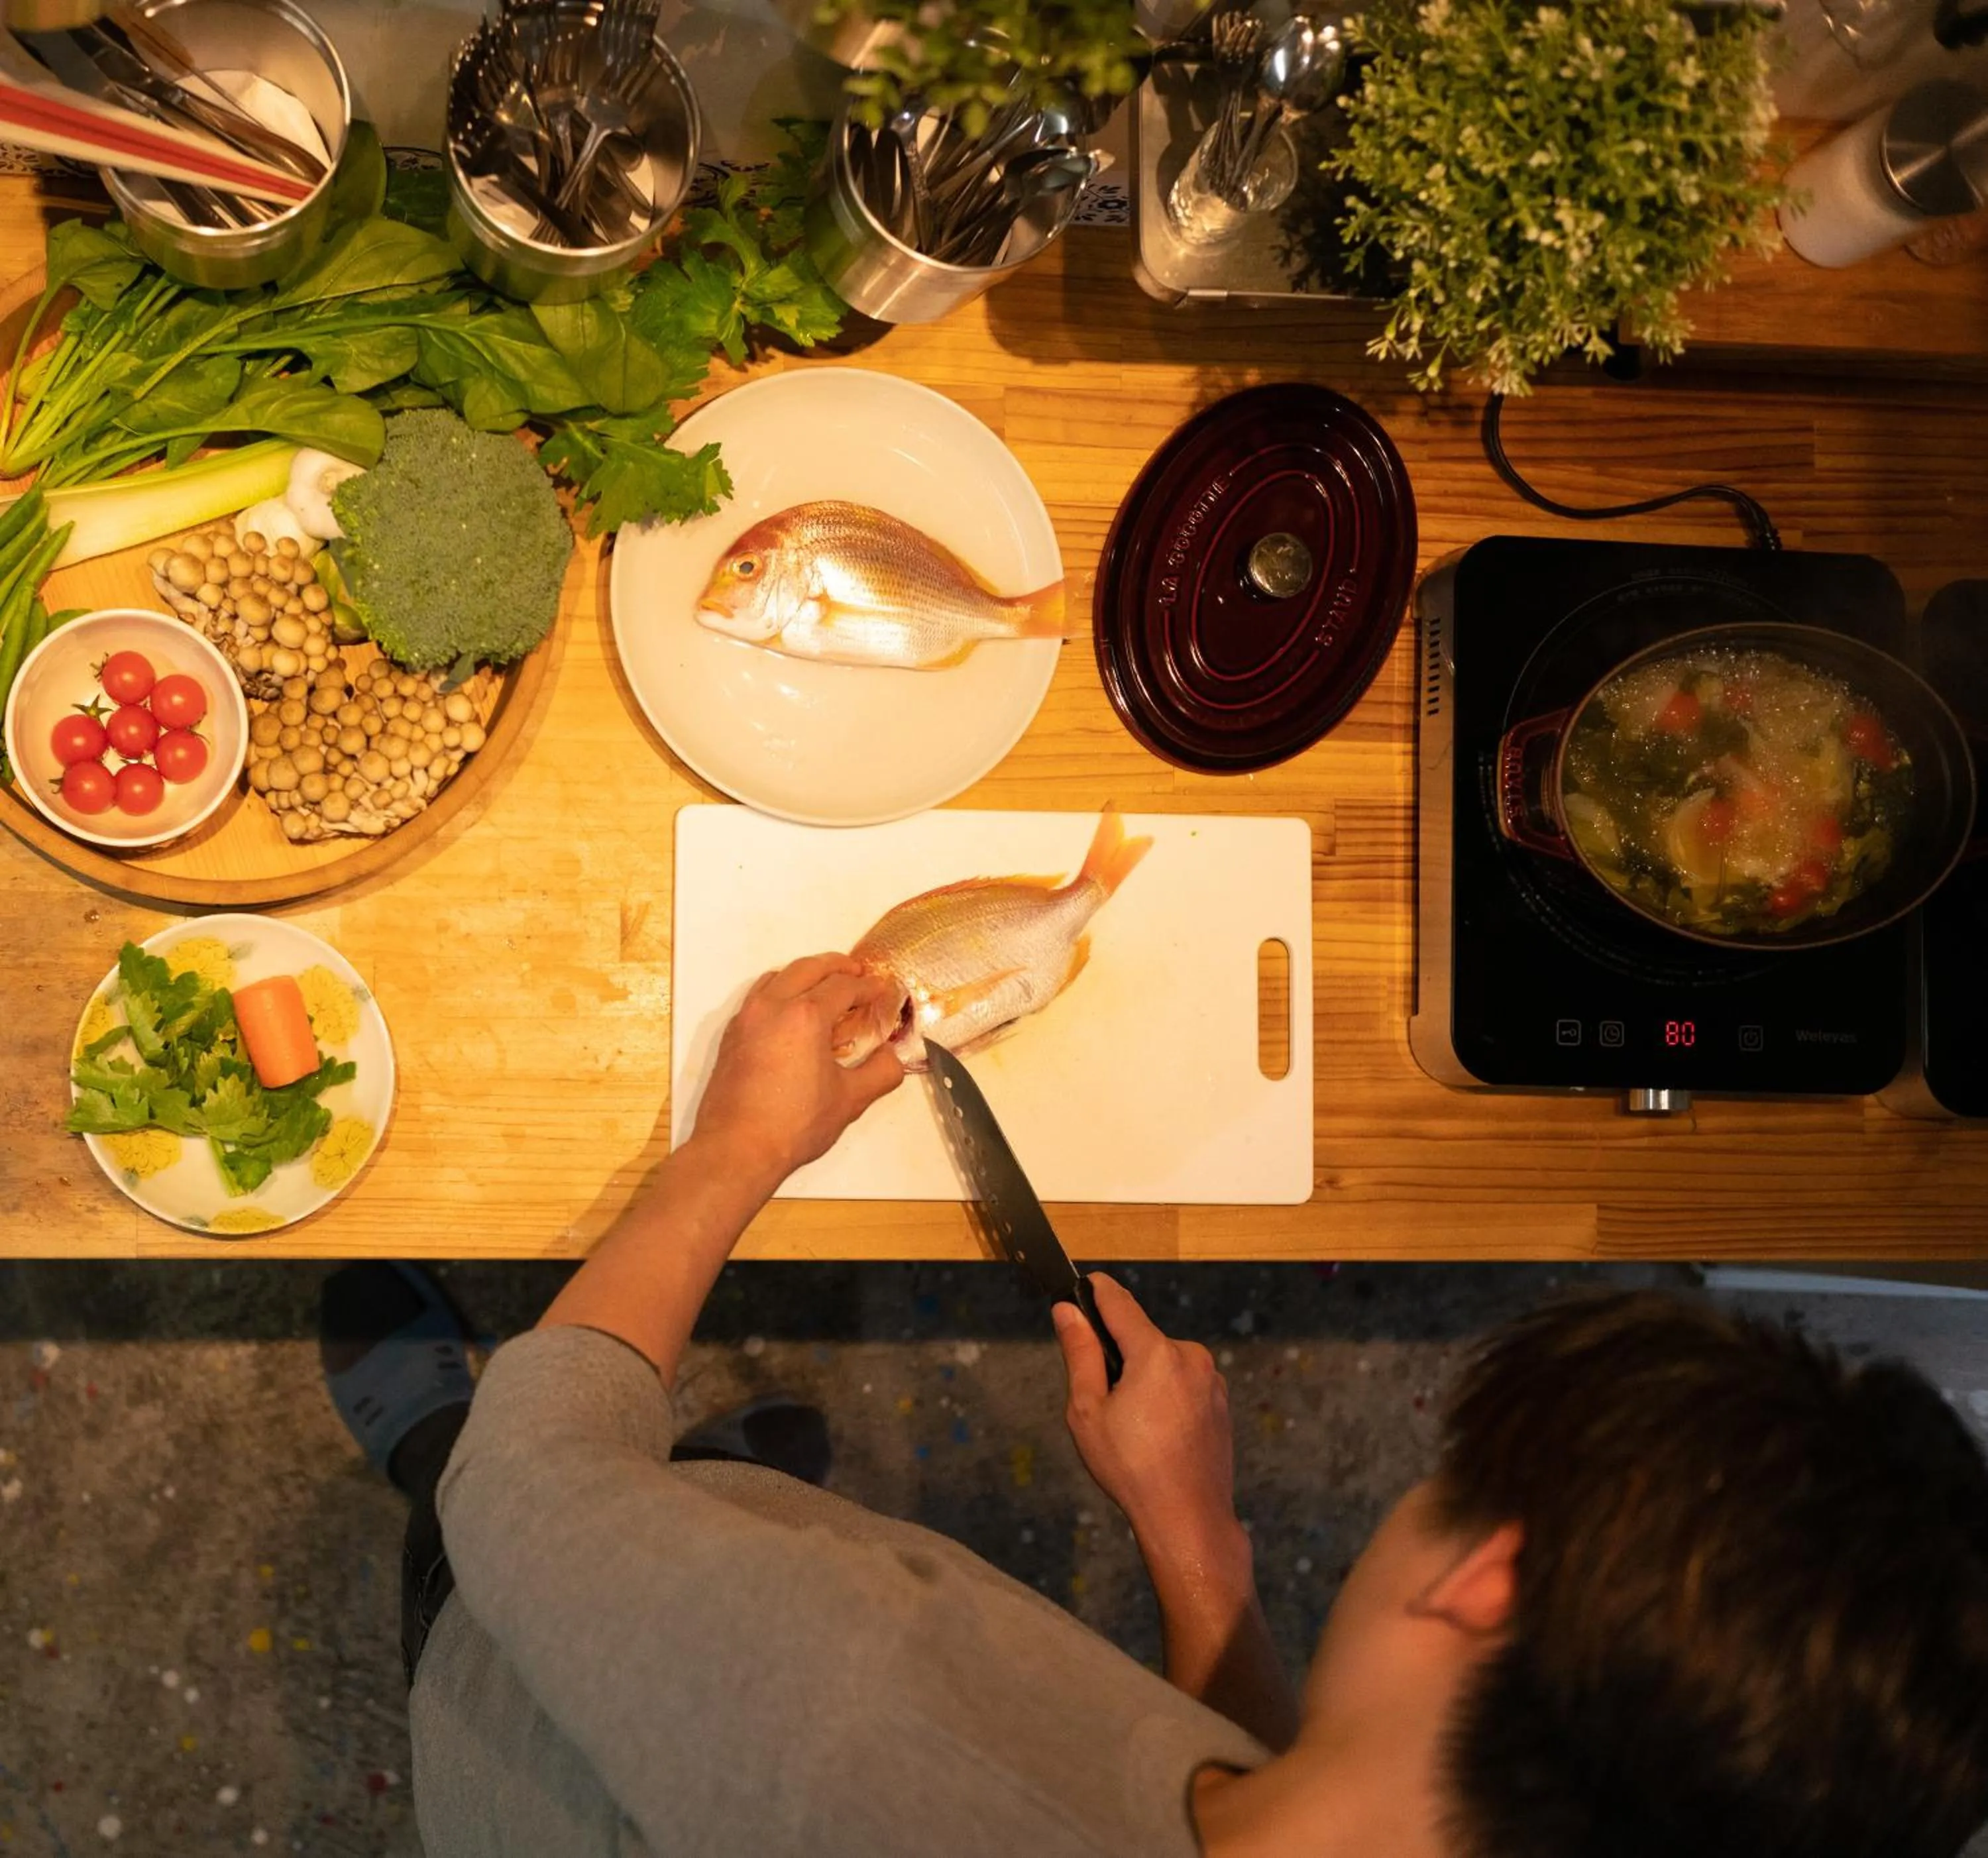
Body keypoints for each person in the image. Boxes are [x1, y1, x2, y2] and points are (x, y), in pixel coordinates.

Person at [319, 954, 1988, 1858]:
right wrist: (1197, 1553)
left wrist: (740, 1147)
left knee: (509, 1487)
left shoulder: (851, 1702)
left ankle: (423, 1443)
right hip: (734, 1637)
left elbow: (538, 1486)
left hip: (563, 1727)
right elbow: (1309, 1781)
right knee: (703, 1517)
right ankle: (695, 1494)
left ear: (1488, 1581)